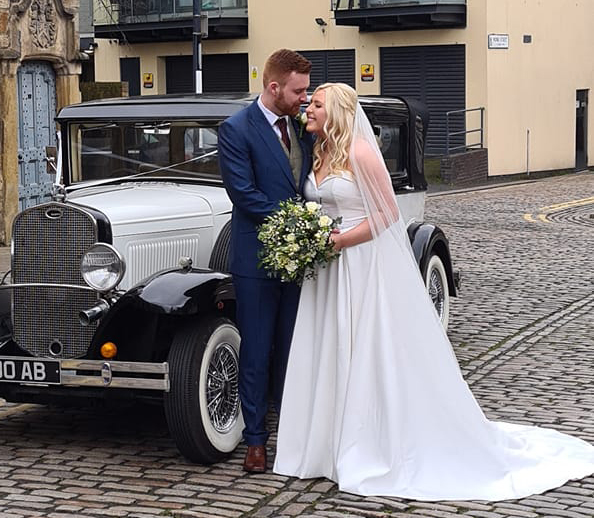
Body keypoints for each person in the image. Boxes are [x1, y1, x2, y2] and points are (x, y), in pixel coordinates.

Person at [272, 82, 594, 500]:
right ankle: (325, 443)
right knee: (330, 347)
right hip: (328, 272)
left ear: (336, 112)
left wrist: (338, 241)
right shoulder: (318, 153)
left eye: (316, 104)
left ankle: (368, 441)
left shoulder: (360, 153)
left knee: (365, 347)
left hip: (360, 265)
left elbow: (387, 213)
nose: (307, 109)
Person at [218, 49, 314, 473]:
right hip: (257, 259)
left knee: (294, 350)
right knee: (256, 351)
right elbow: (244, 193)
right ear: (273, 87)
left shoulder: (303, 126)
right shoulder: (236, 128)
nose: (304, 98)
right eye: (298, 91)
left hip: (301, 262)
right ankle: (255, 442)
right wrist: (299, 225)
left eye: (306, 90)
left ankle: (292, 435)